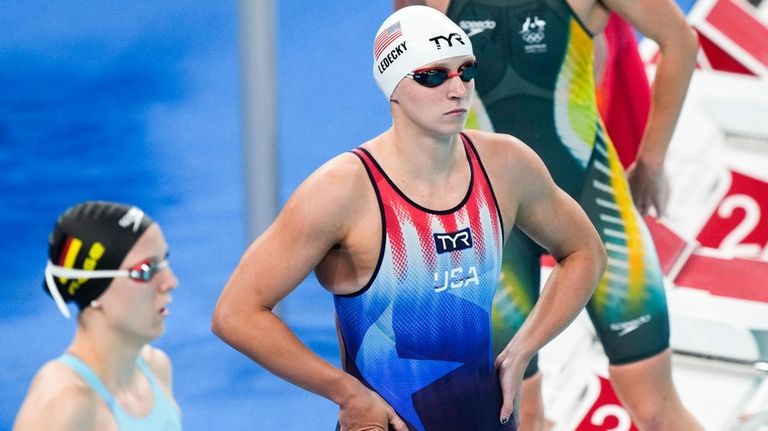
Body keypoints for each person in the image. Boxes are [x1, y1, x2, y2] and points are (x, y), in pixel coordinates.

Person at [211, 5, 605, 431]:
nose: (457, 90)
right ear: (392, 86)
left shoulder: (505, 164)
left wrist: (521, 349)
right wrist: (346, 393)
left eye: (466, 71)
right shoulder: (343, 190)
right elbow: (236, 312)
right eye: (433, 76)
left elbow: (585, 252)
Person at [394, 0, 702, 430]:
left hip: (591, 204)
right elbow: (405, 84)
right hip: (491, 220)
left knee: (653, 401)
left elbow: (680, 41)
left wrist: (651, 161)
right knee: (516, 409)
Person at [13, 201, 181, 431]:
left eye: (164, 261)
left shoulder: (155, 368)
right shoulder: (62, 403)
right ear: (95, 290)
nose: (170, 282)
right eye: (145, 270)